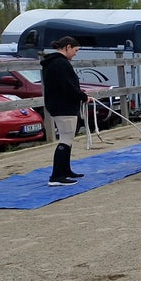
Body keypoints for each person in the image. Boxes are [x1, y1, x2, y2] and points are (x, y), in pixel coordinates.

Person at [40, 36, 91, 187]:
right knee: (65, 139)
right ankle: (57, 176)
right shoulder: (60, 63)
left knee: (68, 138)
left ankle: (65, 170)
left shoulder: (56, 63)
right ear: (68, 47)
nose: (76, 53)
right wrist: (82, 96)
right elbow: (68, 86)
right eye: (75, 50)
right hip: (63, 106)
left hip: (61, 105)